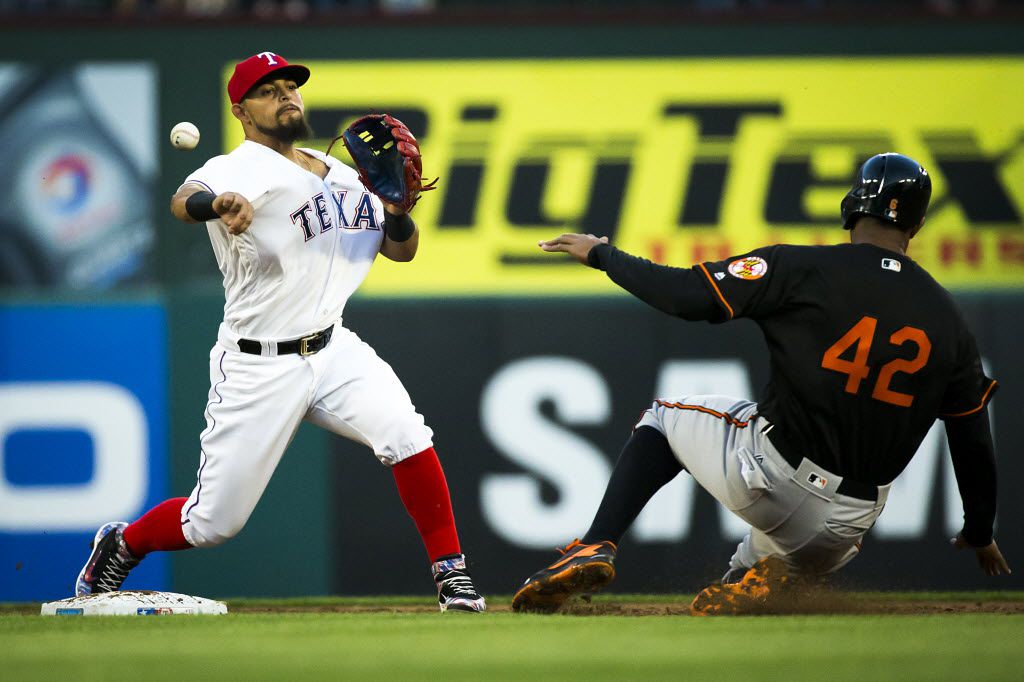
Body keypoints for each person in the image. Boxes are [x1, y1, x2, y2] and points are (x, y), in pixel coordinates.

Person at [511, 153, 1011, 615]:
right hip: (847, 527)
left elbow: (689, 297)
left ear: (852, 204)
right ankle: (763, 576)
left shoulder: (802, 268)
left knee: (663, 418)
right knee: (742, 585)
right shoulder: (949, 319)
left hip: (775, 478)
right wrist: (980, 529)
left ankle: (595, 543)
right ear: (918, 224)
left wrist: (604, 255)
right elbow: (971, 437)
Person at [75, 52, 486, 613]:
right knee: (212, 523)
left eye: (291, 86)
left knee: (407, 435)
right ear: (243, 111)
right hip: (257, 361)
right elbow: (180, 203)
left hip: (334, 346)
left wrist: (395, 208)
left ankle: (452, 577)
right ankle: (123, 543)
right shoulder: (239, 167)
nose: (286, 95)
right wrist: (215, 204)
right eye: (269, 91)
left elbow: (402, 250)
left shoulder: (342, 173)